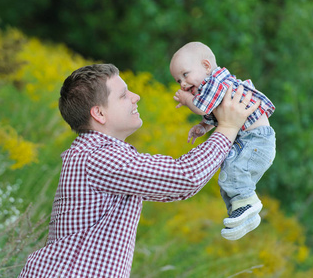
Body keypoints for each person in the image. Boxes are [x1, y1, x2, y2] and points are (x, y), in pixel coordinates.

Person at [19, 63, 260, 277]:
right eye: (123, 95)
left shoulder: (98, 154)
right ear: (99, 114)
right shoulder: (99, 157)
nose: (136, 97)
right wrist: (228, 127)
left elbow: (175, 187)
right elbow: (185, 178)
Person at [169, 41, 276, 241]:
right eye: (178, 81)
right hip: (248, 142)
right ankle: (242, 215)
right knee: (226, 175)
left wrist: (185, 100)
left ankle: (248, 203)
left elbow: (202, 108)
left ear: (206, 66)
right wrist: (203, 127)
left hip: (255, 141)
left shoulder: (216, 82)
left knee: (233, 172)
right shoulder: (213, 89)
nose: (183, 84)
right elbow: (214, 114)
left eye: (185, 75)